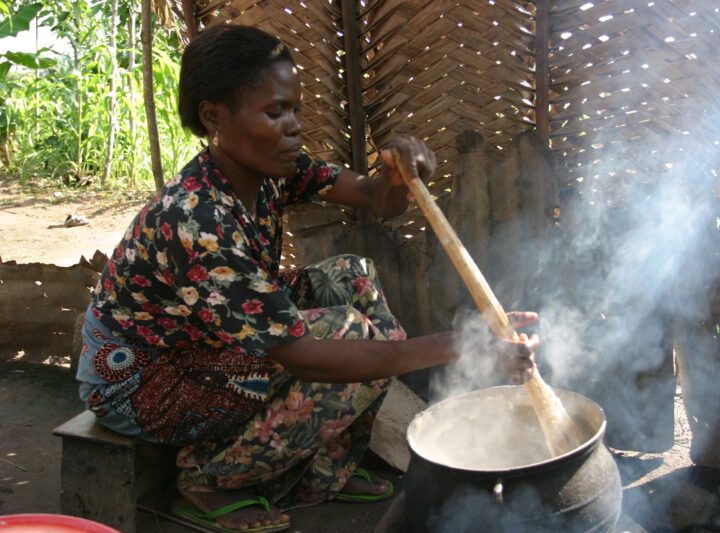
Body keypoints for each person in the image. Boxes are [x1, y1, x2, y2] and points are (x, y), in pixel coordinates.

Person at [76, 24, 538, 533]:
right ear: (214, 117)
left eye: (294, 108)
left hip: (207, 341)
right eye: (275, 112)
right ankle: (210, 480)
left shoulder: (272, 168)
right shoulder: (197, 218)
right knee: (344, 333)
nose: (294, 125)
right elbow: (300, 356)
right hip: (146, 379)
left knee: (352, 276)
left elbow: (371, 199)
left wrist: (398, 174)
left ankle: (324, 465)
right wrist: (464, 345)